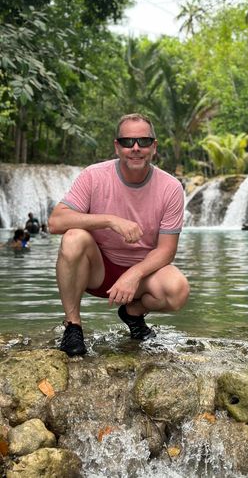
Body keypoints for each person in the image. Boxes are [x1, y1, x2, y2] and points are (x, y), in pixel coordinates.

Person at [48, 113, 190, 357]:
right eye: (127, 142)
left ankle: (132, 313)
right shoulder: (94, 176)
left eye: (143, 141)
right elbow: (55, 222)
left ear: (154, 147)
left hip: (142, 274)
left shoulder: (171, 187)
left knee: (178, 290)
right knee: (73, 237)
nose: (135, 148)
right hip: (97, 271)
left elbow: (167, 250)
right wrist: (109, 221)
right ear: (117, 146)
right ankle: (73, 326)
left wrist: (134, 274)